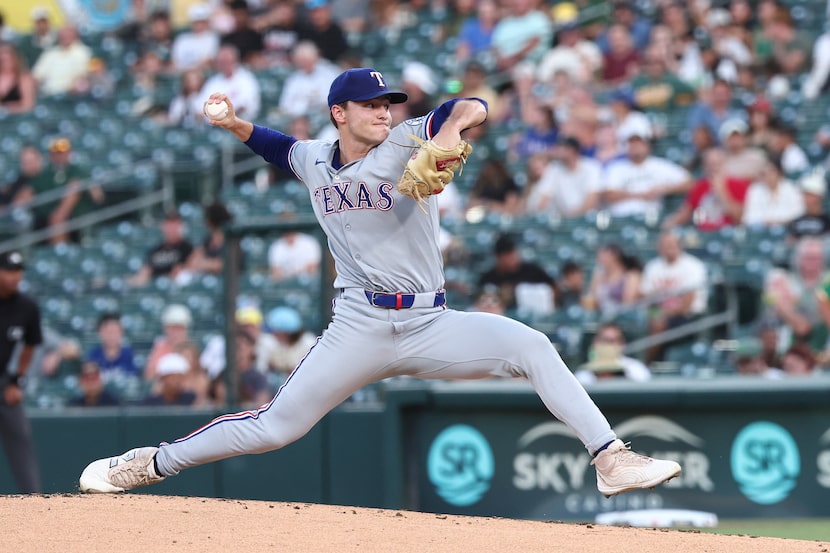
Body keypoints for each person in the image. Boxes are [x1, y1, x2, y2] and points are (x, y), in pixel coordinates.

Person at [79, 66, 681, 497]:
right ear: (339, 113)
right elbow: (276, 147)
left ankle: (610, 458)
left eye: (387, 103)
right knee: (274, 428)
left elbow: (473, 105)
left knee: (532, 345)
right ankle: (152, 462)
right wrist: (236, 123)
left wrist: (446, 135)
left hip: (429, 321)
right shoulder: (315, 158)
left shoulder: (405, 140)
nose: (383, 111)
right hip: (359, 324)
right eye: (370, 104)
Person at [0, 251, 42, 493]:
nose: (15, 276)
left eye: (18, 271)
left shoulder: (26, 307)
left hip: (4, 382)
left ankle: (33, 502)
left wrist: (17, 380)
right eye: (9, 271)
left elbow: (31, 344)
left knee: (20, 438)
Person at [640, 231, 708, 363]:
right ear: (659, 248)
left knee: (658, 322)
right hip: (655, 313)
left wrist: (659, 308)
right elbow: (646, 297)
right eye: (665, 245)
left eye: (672, 244)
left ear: (680, 245)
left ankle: (646, 363)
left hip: (687, 316)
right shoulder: (653, 266)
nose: (668, 248)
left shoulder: (693, 266)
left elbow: (687, 304)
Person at [29, 137, 105, 244]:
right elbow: (30, 191)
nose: (60, 156)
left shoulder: (77, 170)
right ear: (51, 155)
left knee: (73, 189)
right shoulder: (46, 174)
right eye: (57, 153)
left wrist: (59, 214)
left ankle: (60, 250)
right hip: (47, 218)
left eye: (63, 152)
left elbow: (98, 196)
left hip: (77, 217)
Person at [478, 233, 558, 314]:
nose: (513, 260)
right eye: (508, 257)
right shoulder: (489, 278)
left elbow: (553, 288)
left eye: (514, 255)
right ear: (499, 258)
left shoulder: (532, 271)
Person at [127, 211, 195, 287]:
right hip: (156, 287)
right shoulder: (155, 251)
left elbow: (190, 269)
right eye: (169, 226)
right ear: (164, 227)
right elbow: (146, 271)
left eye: (175, 226)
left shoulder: (187, 248)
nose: (171, 230)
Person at [574, 323, 652, 386]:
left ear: (622, 344)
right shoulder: (582, 375)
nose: (608, 345)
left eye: (613, 341)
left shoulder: (636, 369)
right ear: (594, 343)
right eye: (604, 340)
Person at [582, 243, 641, 319]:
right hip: (602, 318)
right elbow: (593, 300)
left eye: (603, 255)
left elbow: (628, 304)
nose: (599, 259)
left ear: (614, 256)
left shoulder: (631, 276)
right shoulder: (598, 276)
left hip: (623, 318)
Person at [31, 23, 92, 96]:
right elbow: (36, 75)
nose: (65, 37)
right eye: (62, 35)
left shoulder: (84, 52)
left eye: (68, 34)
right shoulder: (50, 53)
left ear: (76, 35)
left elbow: (84, 76)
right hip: (48, 94)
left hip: (72, 95)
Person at [143, 304, 195, 382]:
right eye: (173, 328)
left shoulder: (191, 349)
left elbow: (196, 378)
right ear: (166, 329)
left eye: (180, 328)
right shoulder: (160, 347)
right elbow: (149, 377)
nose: (176, 332)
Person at [83, 313, 139, 383]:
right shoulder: (93, 356)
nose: (111, 336)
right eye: (108, 332)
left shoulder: (129, 355)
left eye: (115, 331)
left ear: (121, 332)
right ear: (100, 332)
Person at [265, 306, 318, 375]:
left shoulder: (309, 343)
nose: (273, 334)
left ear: (285, 332)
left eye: (276, 331)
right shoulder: (277, 345)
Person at [0, 42, 37, 114]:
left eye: (7, 59)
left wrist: (7, 109)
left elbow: (28, 106)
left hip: (15, 119)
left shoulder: (24, 78)